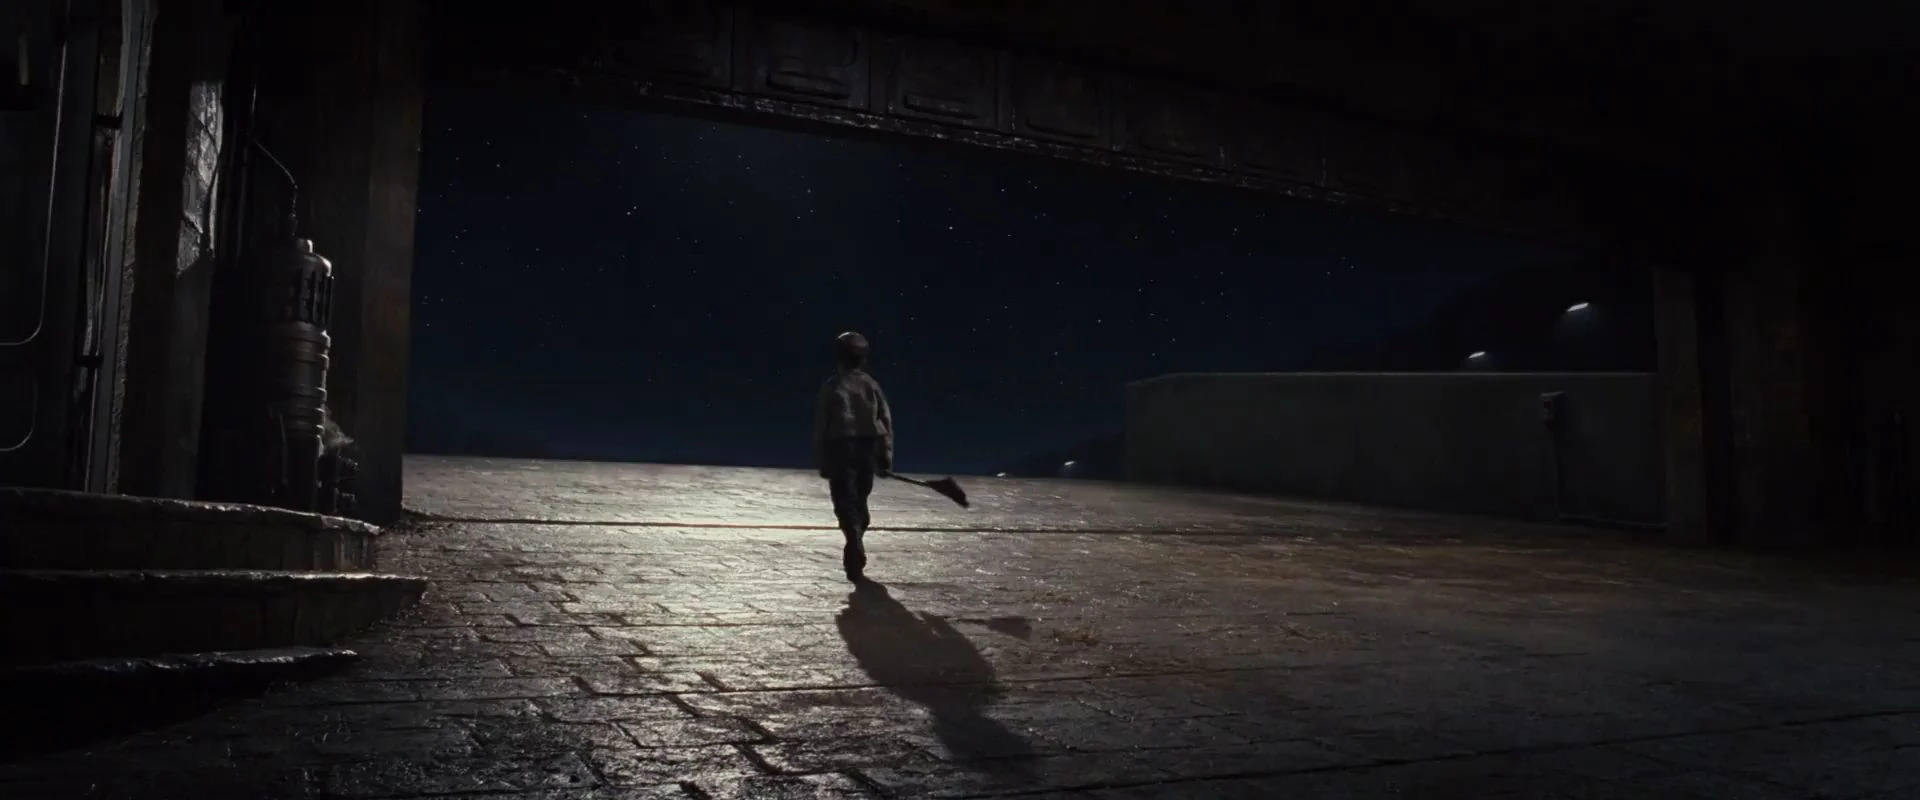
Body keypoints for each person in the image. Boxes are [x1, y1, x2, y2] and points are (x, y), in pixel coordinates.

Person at [814, 331, 894, 583]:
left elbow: (822, 424)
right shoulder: (871, 385)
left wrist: (823, 458)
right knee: (859, 499)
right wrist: (885, 456)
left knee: (845, 501)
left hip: (841, 448)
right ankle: (858, 531)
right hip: (867, 448)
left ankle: (854, 538)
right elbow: (884, 422)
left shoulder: (832, 386)